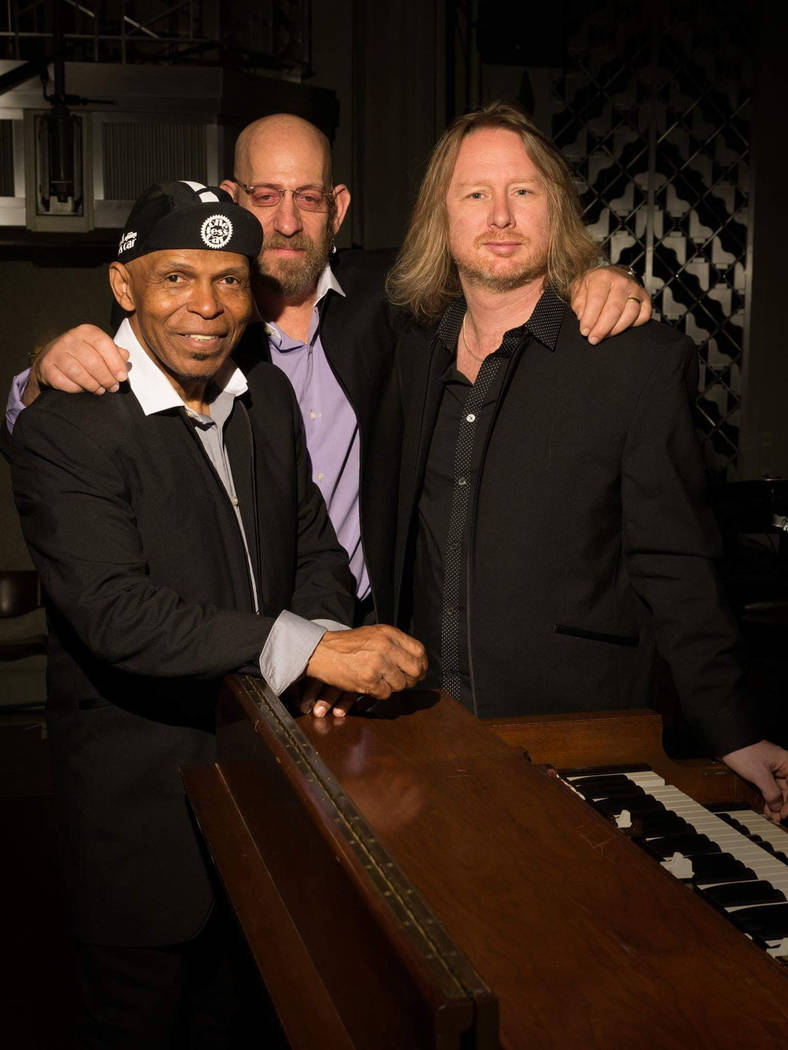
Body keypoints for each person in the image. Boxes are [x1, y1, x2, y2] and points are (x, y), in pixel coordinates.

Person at [8, 180, 426, 1048]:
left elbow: (315, 548)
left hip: (266, 808)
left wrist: (323, 646)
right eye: (176, 278)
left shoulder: (264, 397)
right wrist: (310, 650)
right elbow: (116, 613)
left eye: (230, 280)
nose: (207, 305)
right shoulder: (68, 427)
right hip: (141, 825)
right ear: (123, 286)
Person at [5, 114, 650, 653]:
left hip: (366, 622)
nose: (287, 222)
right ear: (231, 199)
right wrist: (42, 375)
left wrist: (595, 277)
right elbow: (80, 432)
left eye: (309, 199)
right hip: (218, 635)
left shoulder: (398, 300)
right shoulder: (199, 321)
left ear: (336, 208)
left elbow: (500, 266)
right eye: (265, 197)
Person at [385, 102, 788, 820]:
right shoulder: (411, 351)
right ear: (439, 220)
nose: (500, 215)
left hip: (578, 744)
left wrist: (731, 728)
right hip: (427, 737)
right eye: (474, 194)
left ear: (557, 209)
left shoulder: (636, 363)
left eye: (523, 191)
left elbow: (676, 562)